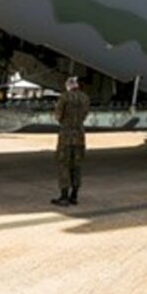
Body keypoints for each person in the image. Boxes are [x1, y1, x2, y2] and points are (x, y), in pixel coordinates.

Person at [51, 76, 90, 206]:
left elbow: (58, 115)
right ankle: (74, 196)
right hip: (79, 135)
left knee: (64, 165)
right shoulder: (85, 98)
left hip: (66, 135)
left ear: (68, 85)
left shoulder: (64, 97)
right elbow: (84, 115)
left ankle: (64, 196)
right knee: (77, 166)